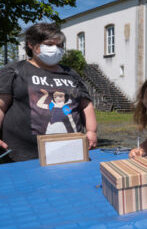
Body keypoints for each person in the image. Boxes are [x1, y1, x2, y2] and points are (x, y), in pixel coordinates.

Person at [0, 23, 97, 162]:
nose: (55, 49)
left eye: (60, 45)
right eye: (49, 44)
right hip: (23, 156)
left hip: (70, 151)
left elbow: (86, 105)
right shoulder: (14, 71)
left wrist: (91, 131)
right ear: (31, 44)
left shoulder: (71, 74)